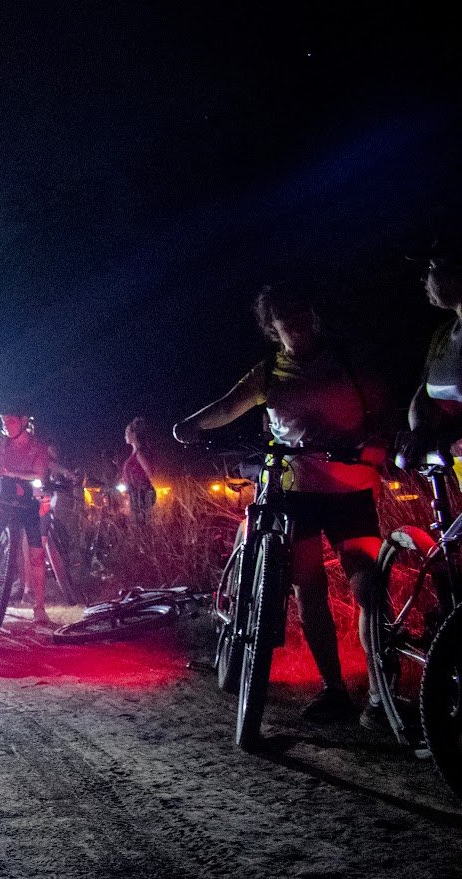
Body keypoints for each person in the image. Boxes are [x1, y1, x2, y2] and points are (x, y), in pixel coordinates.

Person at [173, 281, 389, 723]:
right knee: (309, 591)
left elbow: (381, 411)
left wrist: (380, 442)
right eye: (284, 316)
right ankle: (334, 690)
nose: (296, 321)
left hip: (352, 491)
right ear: (271, 327)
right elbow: (228, 405)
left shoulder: (346, 360)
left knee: (368, 589)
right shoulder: (269, 372)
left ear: (313, 314)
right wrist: (192, 425)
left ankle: (379, 692)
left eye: (301, 311)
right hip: (296, 495)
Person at [0, 403, 61, 625]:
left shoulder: (37, 447)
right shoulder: (1, 445)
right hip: (5, 499)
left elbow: (40, 472)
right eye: (3, 421)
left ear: (24, 421)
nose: (6, 425)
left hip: (27, 503)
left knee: (37, 555)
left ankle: (39, 606)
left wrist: (11, 473)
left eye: (11, 420)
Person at [404, 234, 462, 469]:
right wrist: (420, 432)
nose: (423, 278)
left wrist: (449, 434)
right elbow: (424, 396)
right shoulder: (443, 335)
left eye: (431, 267)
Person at [122, 417, 156, 526]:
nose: (125, 436)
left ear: (134, 434)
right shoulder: (135, 452)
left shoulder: (140, 453)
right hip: (136, 494)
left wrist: (137, 484)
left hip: (141, 494)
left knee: (140, 527)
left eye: (127, 432)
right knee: (138, 525)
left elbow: (150, 473)